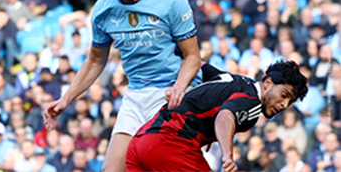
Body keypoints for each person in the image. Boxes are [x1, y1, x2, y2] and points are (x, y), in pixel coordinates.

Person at [43, 0, 202, 172]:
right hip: (136, 94)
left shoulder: (172, 0)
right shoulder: (103, 9)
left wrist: (179, 87)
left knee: (156, 161)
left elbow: (193, 57)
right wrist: (66, 99)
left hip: (174, 93)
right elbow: (96, 60)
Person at [126, 61, 308, 172]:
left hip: (141, 139)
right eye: (284, 95)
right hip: (171, 143)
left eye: (290, 102)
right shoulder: (253, 103)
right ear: (268, 83)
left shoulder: (233, 80)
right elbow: (225, 116)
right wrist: (227, 155)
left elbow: (198, 62)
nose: (284, 105)